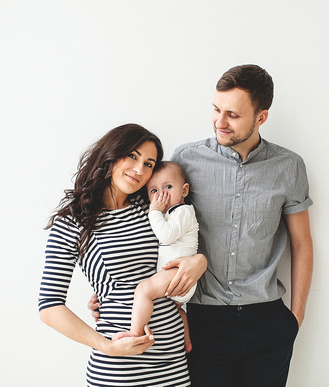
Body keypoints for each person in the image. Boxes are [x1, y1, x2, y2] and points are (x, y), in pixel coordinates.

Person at [170, 64, 314, 386]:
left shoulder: (289, 166)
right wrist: (117, 293)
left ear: (261, 117)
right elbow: (156, 232)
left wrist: (296, 318)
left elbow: (301, 243)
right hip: (203, 321)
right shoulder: (186, 161)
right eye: (216, 109)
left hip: (267, 321)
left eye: (233, 115)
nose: (220, 122)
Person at [38, 123, 206, 387]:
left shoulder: (150, 206)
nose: (140, 169)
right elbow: (49, 306)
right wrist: (106, 347)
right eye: (132, 156)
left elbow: (181, 242)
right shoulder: (74, 222)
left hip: (172, 358)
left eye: (149, 163)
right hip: (121, 363)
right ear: (111, 154)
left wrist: (199, 261)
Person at [112, 161, 199, 353]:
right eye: (153, 191)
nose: (161, 195)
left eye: (168, 187)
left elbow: (166, 235)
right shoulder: (168, 213)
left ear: (184, 191)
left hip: (180, 273)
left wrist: (154, 212)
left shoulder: (183, 211)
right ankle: (187, 342)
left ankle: (134, 333)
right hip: (176, 277)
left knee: (143, 290)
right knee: (176, 309)